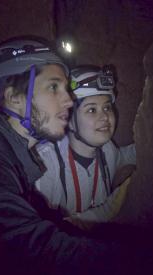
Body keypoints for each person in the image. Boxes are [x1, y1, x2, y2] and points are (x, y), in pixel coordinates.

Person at [0, 36, 140, 275]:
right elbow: (33, 248)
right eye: (53, 87)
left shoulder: (18, 160)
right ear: (14, 99)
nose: (69, 101)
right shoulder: (15, 164)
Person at [36, 65, 136, 228]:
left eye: (107, 107)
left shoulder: (107, 150)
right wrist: (109, 207)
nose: (104, 116)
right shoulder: (46, 164)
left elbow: (126, 156)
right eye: (91, 110)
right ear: (69, 120)